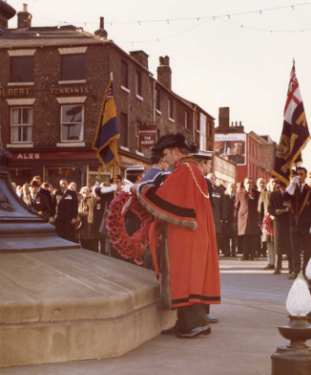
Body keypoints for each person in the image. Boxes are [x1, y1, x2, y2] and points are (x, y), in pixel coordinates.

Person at [136, 133, 221, 338]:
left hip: (186, 235)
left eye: (166, 155)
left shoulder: (185, 170)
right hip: (197, 233)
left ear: (175, 150)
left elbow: (164, 197)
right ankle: (190, 322)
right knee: (193, 275)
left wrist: (143, 189)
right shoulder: (194, 170)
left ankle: (191, 325)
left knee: (185, 275)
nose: (165, 160)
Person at [285, 167, 311, 278]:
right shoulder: (292, 189)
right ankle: (296, 271)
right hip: (294, 224)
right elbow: (284, 198)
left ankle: (305, 271)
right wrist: (291, 184)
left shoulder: (309, 189)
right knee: (294, 249)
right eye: (297, 174)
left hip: (306, 224)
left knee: (307, 250)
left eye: (301, 174)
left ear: (305, 176)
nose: (299, 176)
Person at [235, 178, 260, 260]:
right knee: (244, 236)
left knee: (253, 236)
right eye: (247, 183)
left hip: (253, 216)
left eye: (250, 183)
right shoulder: (240, 192)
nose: (249, 184)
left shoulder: (257, 193)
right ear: (244, 184)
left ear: (253, 184)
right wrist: (236, 215)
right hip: (243, 216)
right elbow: (236, 205)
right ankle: (245, 255)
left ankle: (252, 255)